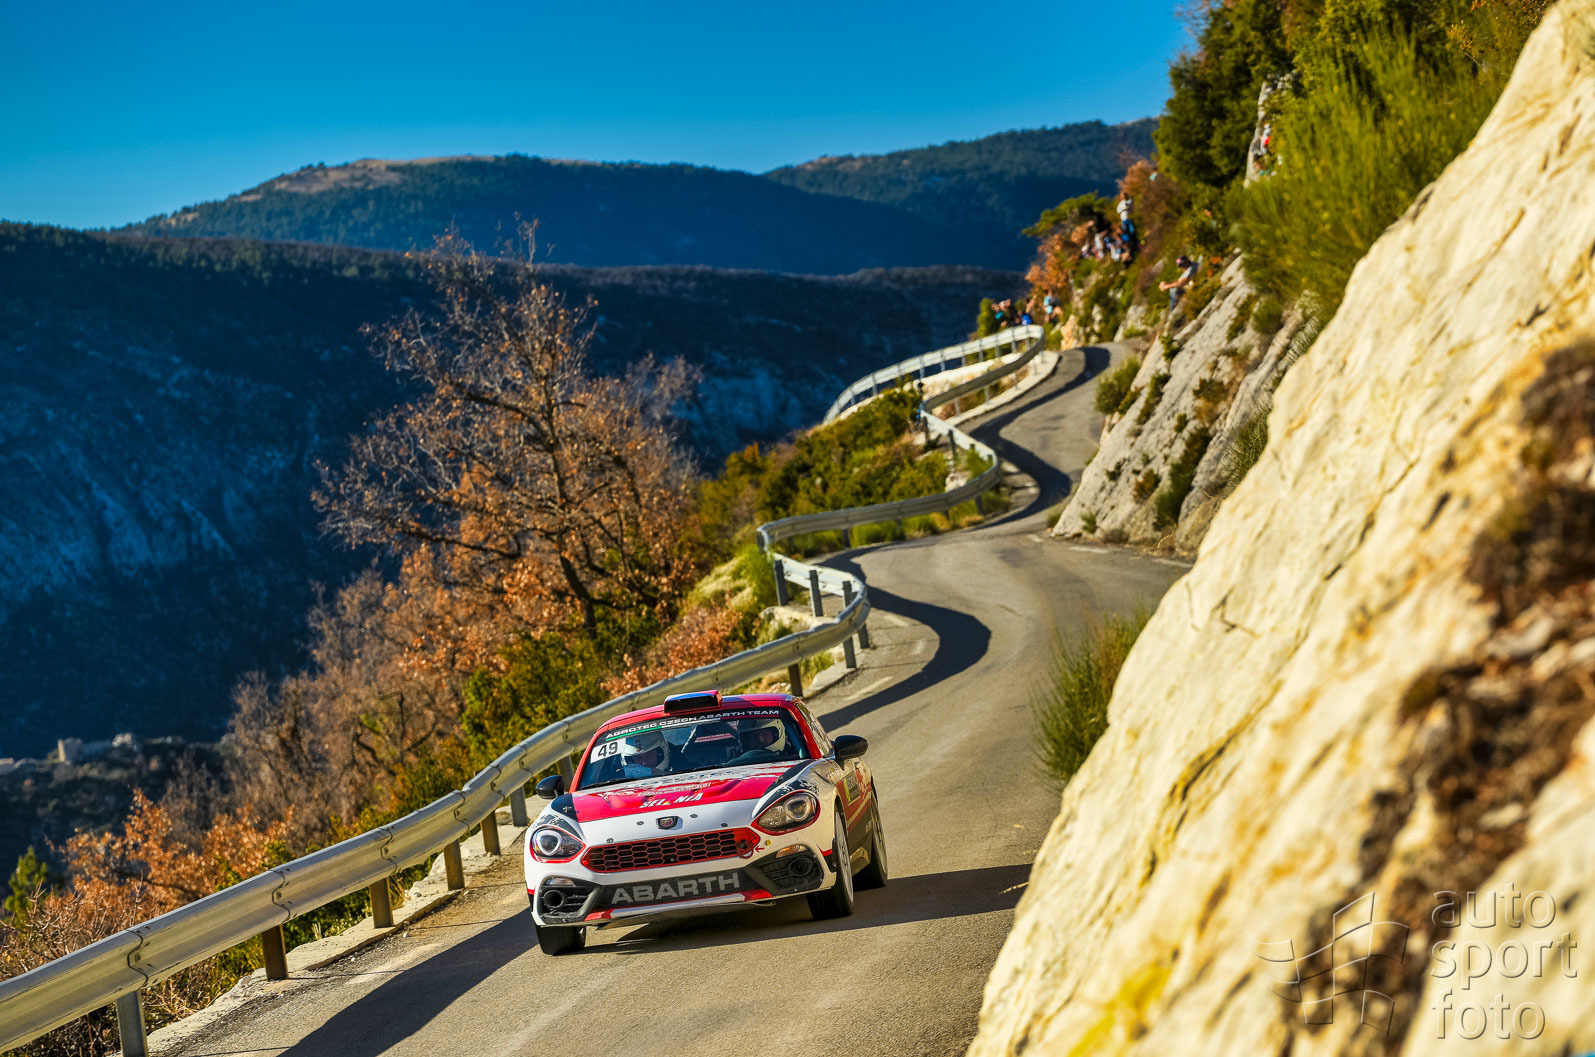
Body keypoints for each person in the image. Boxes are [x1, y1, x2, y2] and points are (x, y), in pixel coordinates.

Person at [727, 716, 794, 765]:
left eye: (765, 734)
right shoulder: (734, 764)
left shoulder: (795, 757)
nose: (760, 740)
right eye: (753, 736)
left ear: (775, 734)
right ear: (746, 740)